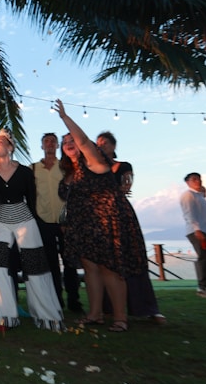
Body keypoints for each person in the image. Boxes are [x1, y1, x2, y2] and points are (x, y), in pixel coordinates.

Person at [55, 100, 147, 332]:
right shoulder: (70, 173)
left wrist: (65, 118)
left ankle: (120, 318)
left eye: (71, 140)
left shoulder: (94, 161)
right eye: (64, 143)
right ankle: (94, 314)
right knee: (90, 269)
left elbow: (84, 141)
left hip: (106, 220)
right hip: (83, 225)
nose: (69, 143)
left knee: (110, 268)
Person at [0, 130, 63, 332]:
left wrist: (35, 222)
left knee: (35, 267)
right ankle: (3, 316)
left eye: (0, 142)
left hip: (24, 219)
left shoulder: (25, 172)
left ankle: (47, 316)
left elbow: (32, 199)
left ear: (10, 147)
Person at [95, 131, 165, 324]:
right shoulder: (92, 167)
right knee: (105, 260)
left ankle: (146, 307)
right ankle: (107, 307)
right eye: (98, 143)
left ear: (113, 146)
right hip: (100, 216)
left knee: (131, 257)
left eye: (105, 143)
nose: (101, 145)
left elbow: (126, 187)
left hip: (121, 214)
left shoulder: (123, 166)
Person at [31, 132, 81, 312]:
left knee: (69, 262)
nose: (50, 144)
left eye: (53, 141)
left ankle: (74, 301)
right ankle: (56, 300)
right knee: (51, 263)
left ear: (57, 146)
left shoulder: (66, 167)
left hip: (66, 221)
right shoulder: (33, 168)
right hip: (43, 221)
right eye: (46, 141)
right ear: (42, 146)